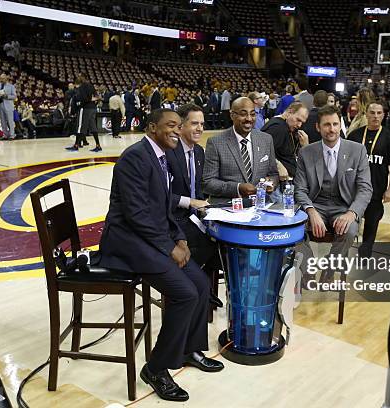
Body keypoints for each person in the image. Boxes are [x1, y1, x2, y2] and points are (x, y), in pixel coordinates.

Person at [98, 109, 223, 402]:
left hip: (152, 235)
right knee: (184, 293)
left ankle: (188, 349)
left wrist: (179, 238)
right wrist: (170, 247)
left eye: (179, 126)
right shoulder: (135, 157)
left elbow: (164, 205)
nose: (177, 131)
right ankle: (156, 368)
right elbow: (136, 214)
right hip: (127, 240)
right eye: (171, 126)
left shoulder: (161, 156)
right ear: (152, 127)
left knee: (201, 285)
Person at [294, 105, 372, 280]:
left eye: (335, 124)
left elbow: (365, 188)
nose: (332, 129)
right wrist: (310, 211)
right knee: (293, 230)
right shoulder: (306, 153)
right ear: (318, 127)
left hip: (343, 207)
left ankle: (331, 264)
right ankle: (308, 267)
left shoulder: (357, 150)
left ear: (340, 125)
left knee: (350, 230)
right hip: (316, 205)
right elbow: (300, 189)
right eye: (327, 124)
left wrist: (351, 213)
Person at [165, 103, 223, 308]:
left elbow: (199, 189)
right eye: (194, 123)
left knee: (222, 240)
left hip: (192, 217)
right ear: (181, 126)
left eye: (202, 124)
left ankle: (203, 292)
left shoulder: (199, 152)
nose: (200, 128)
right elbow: (160, 196)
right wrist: (189, 202)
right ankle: (196, 294)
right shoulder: (168, 152)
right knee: (204, 244)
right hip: (171, 218)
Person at [347, 102, 390, 257]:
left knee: (371, 226)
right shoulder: (355, 136)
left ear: (383, 115)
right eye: (372, 113)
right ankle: (342, 254)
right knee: (348, 224)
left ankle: (365, 256)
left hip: (376, 191)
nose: (375, 116)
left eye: (379, 113)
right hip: (353, 190)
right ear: (366, 114)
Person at [203, 97, 279, 204]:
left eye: (252, 114)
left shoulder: (266, 139)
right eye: (243, 114)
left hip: (260, 206)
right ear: (232, 115)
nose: (249, 119)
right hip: (228, 207)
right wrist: (237, 188)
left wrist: (272, 183)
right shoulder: (216, 142)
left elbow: (274, 174)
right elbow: (208, 183)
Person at [261, 101, 309, 179]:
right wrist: (278, 165)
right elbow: (261, 151)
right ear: (289, 112)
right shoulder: (278, 127)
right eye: (298, 120)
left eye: (302, 123)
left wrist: (304, 145)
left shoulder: (285, 126)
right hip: (278, 182)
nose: (299, 125)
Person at [66, 74, 101, 152]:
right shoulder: (91, 86)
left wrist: (79, 104)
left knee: (80, 127)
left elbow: (84, 99)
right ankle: (98, 145)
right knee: (93, 126)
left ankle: (76, 145)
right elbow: (97, 97)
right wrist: (93, 102)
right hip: (93, 108)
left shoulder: (82, 87)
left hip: (85, 108)